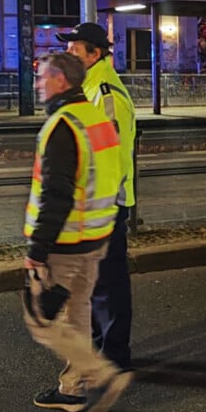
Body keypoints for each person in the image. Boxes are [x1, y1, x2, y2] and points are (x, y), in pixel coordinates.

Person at [23, 52, 132, 412]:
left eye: (42, 78)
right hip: (97, 236)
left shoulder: (63, 126)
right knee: (78, 313)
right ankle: (73, 389)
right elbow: (116, 173)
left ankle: (101, 375)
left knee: (40, 319)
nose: (38, 84)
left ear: (61, 81)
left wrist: (37, 250)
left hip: (66, 242)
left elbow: (56, 194)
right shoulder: (97, 119)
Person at [57, 23, 137, 372]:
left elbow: (108, 158)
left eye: (75, 49)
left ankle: (113, 358)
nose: (68, 54)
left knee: (107, 285)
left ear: (95, 54)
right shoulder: (86, 88)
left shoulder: (103, 94)